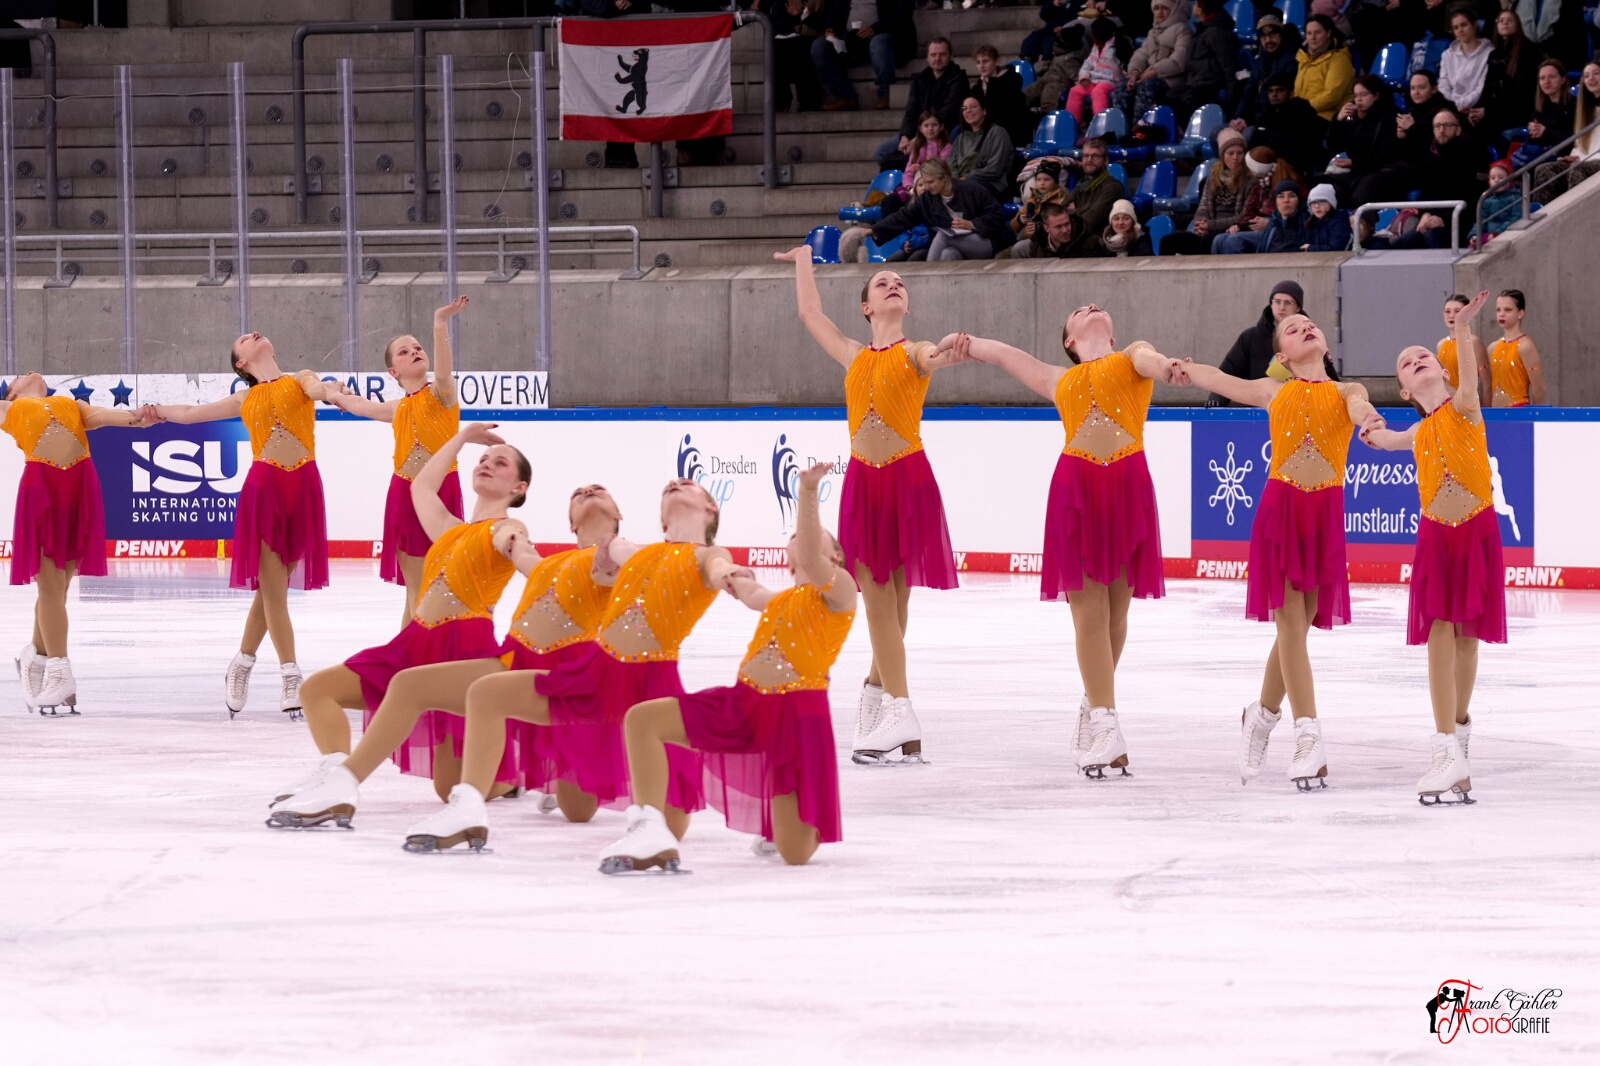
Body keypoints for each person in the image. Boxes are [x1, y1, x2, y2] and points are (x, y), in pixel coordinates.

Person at [394, 478, 732, 852]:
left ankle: (648, 824)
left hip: (649, 679)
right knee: (487, 694)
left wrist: (734, 578)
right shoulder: (626, 552)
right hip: (595, 672)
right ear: (662, 522)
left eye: (687, 484)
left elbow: (715, 566)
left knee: (665, 823)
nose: (676, 483)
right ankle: (468, 808)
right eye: (578, 493)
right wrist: (522, 543)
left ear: (710, 507)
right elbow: (600, 559)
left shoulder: (688, 555)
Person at [944, 312, 1178, 777]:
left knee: (1116, 614)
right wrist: (966, 342)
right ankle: (1107, 724)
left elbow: (1151, 361)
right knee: (1090, 612)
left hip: (1128, 487)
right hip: (1077, 490)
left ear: (1113, 335)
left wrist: (1167, 366)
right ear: (1069, 340)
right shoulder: (1059, 378)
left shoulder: (1131, 355)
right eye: (1077, 312)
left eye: (1095, 307)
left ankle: (1094, 704)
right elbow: (1006, 356)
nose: (1089, 306)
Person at [596, 463, 858, 872]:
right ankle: (648, 825)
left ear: (836, 556)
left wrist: (808, 492)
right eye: (794, 538)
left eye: (809, 537)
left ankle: (790, 823)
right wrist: (730, 574)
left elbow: (811, 553)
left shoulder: (841, 592)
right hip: (744, 702)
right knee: (642, 720)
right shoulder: (777, 600)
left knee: (795, 853)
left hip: (796, 714)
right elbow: (748, 590)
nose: (799, 540)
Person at [265, 424, 532, 818]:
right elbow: (420, 487)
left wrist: (526, 556)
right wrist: (460, 439)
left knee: (448, 788)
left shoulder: (507, 528)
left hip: (461, 648)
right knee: (318, 690)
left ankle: (521, 776)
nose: (487, 464)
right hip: (414, 642)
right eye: (484, 459)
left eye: (501, 463)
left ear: (519, 488)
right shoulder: (450, 529)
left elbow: (517, 545)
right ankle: (334, 775)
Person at [772, 248, 969, 764]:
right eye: (882, 282)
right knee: (884, 602)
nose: (893, 284)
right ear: (866, 307)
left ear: (907, 305)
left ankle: (892, 707)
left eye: (900, 282)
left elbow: (933, 356)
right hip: (865, 482)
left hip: (908, 478)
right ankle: (881, 698)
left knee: (893, 603)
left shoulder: (913, 351)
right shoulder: (852, 354)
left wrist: (949, 350)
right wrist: (803, 259)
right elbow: (809, 313)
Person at [1174, 315, 1382, 791]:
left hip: (1324, 514)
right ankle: (1308, 736)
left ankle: (1261, 715)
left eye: (1310, 323)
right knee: (1291, 624)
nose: (1305, 327)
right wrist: (1182, 368)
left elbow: (1359, 405)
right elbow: (1221, 379)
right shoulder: (1274, 390)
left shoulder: (1346, 390)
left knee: (1299, 628)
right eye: (1292, 329)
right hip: (1281, 509)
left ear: (1325, 343)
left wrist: (1368, 418)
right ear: (1281, 356)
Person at [149, 332, 348, 720]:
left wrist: (331, 392)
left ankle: (241, 662)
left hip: (304, 486)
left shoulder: (300, 379)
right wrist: (156, 410)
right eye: (244, 339)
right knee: (275, 591)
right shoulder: (244, 398)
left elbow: (316, 388)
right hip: (265, 488)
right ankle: (291, 675)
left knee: (271, 592)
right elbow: (190, 413)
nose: (252, 334)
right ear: (241, 363)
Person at [1359, 292, 1504, 804]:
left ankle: (1458, 740)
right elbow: (1386, 440)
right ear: (1403, 389)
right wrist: (1372, 430)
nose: (1416, 359)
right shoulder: (1419, 430)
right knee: (1441, 630)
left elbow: (1469, 381)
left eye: (1423, 354)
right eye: (1406, 362)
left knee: (1468, 638)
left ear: (1442, 370)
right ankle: (1445, 747)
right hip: (1436, 535)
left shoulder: (1465, 407)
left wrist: (1462, 330)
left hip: (1476, 529)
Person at [3, 372, 151, 714]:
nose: (28, 372)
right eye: (19, 375)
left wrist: (141, 416)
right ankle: (59, 669)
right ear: (11, 395)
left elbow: (106, 416)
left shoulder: (71, 404)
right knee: (50, 586)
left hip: (79, 488)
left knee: (58, 589)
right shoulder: (9, 410)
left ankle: (35, 657)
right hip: (42, 491)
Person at [325, 298, 465, 626]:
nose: (414, 351)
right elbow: (359, 405)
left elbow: (444, 370)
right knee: (416, 589)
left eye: (417, 348)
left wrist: (440, 324)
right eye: (404, 352)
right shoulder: (396, 408)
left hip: (442, 493)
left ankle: (416, 652)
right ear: (393, 371)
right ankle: (411, 653)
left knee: (437, 587)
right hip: (404, 495)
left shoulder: (442, 394)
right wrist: (333, 394)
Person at [869, 157, 1010, 260]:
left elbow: (997, 216)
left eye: (931, 182)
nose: (927, 187)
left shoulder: (972, 189)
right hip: (957, 246)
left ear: (945, 177)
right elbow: (903, 217)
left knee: (944, 235)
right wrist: (872, 231)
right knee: (948, 254)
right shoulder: (928, 199)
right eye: (924, 183)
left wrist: (972, 224)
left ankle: (929, 279)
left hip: (987, 241)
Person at [1205, 279, 1306, 406]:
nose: (1282, 307)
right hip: (1258, 410)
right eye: (1277, 301)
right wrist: (1217, 399)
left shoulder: (1309, 337)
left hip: (1299, 409)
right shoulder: (1251, 338)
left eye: (1288, 303)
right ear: (1271, 304)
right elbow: (1229, 371)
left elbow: (1324, 376)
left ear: (1298, 307)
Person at [873, 37, 968, 170]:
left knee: (912, 155)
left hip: (943, 130)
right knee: (880, 153)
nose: (938, 58)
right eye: (933, 55)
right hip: (920, 130)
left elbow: (948, 113)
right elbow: (911, 111)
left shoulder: (959, 79)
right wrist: (905, 135)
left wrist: (920, 138)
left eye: (942, 54)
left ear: (950, 56)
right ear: (927, 58)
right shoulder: (920, 80)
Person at [813, 0, 917, 113]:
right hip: (849, 39)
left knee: (879, 42)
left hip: (883, 35)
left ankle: (886, 96)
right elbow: (833, 13)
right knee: (820, 46)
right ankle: (845, 97)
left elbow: (903, 12)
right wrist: (830, 28)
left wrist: (874, 29)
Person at [1324, 74, 1401, 210]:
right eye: (1355, 96)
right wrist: (1339, 120)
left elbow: (1386, 156)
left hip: (1376, 172)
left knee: (1359, 193)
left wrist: (1354, 162)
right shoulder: (1352, 118)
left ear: (1376, 95)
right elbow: (1333, 146)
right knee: (1323, 188)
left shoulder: (1390, 117)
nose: (1358, 100)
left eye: (1363, 95)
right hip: (1352, 170)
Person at [1532, 62, 1600, 200]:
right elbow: (1582, 142)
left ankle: (1576, 213)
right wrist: (1575, 155)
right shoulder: (1586, 109)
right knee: (1543, 170)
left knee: (1577, 169)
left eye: (1596, 73)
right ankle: (1545, 213)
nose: (1591, 78)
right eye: (1586, 75)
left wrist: (1582, 160)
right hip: (1586, 159)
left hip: (1595, 160)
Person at [1119, 0, 1192, 118]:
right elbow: (1142, 53)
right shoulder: (1153, 31)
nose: (1160, 12)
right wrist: (1134, 73)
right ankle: (1121, 125)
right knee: (1122, 87)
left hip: (1170, 79)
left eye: (1165, 8)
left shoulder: (1182, 30)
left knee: (1147, 87)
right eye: (1156, 8)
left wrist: (1153, 72)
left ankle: (1140, 126)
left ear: (1173, 10)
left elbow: (1179, 62)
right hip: (1148, 75)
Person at [1231, 13, 1303, 133]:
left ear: (1281, 36)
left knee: (1240, 138)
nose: (1268, 40)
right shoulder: (1259, 62)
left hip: (1276, 122)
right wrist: (1239, 117)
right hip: (1255, 119)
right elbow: (1248, 94)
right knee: (1216, 133)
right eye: (1264, 37)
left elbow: (1283, 100)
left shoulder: (1291, 61)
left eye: (1273, 35)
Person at [1249, 73, 1326, 179]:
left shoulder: (1302, 114)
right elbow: (1253, 145)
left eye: (1280, 90)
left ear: (1291, 94)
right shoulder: (1266, 117)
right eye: (1271, 91)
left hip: (1294, 171)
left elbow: (1297, 150)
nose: (1274, 94)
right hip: (1266, 168)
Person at [1481, 7, 1544, 135]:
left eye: (1510, 20)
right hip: (1498, 111)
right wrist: (1482, 108)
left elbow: (1526, 92)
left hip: (1520, 112)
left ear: (1518, 25)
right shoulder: (1494, 54)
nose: (1505, 23)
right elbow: (1488, 86)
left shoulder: (1530, 51)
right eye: (1501, 20)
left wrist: (1489, 110)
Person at [1172, 0, 1238, 120]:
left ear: (1201, 10)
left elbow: (1229, 67)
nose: (1193, 6)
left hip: (1211, 84)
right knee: (1169, 97)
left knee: (1186, 101)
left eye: (1196, 4)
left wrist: (1232, 100)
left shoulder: (1218, 32)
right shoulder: (1204, 28)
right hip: (1196, 82)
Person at [1062, 138, 1125, 256]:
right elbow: (1061, 212)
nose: (1089, 159)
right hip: (1076, 235)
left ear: (1105, 160)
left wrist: (1073, 211)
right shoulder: (1081, 184)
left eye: (1095, 156)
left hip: (1098, 240)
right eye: (1086, 156)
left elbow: (1090, 219)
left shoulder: (1112, 187)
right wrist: (1082, 211)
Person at [1064, 17, 1129, 125]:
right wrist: (1084, 77)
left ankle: (1101, 125)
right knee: (1075, 91)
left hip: (1111, 80)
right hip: (1093, 79)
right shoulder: (1095, 47)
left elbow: (1122, 68)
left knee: (1098, 92)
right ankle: (1072, 125)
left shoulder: (1118, 45)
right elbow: (1087, 64)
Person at [1438, 5, 1494, 126]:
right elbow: (1443, 85)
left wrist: (1460, 105)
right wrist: (1453, 106)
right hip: (1451, 108)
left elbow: (1480, 88)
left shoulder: (1490, 53)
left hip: (1475, 108)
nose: (1460, 30)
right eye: (1456, 27)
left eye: (1464, 25)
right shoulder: (1447, 55)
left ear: (1474, 25)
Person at [950, 96, 1015, 201]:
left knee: (966, 191)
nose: (968, 111)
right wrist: (955, 181)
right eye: (964, 108)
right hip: (961, 184)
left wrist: (966, 178)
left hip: (990, 185)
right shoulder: (960, 138)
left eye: (973, 107)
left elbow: (994, 170)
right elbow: (951, 166)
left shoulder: (998, 133)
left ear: (984, 111)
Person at [1214, 178, 1304, 253]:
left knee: (1234, 240)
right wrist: (1238, 225)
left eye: (1292, 196)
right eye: (1281, 196)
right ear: (1276, 202)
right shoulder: (1274, 223)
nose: (1286, 200)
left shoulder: (1305, 221)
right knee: (1219, 239)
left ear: (1298, 201)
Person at [1488, 289, 1545, 406]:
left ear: (1520, 313)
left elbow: (1538, 387)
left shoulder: (1525, 346)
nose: (1501, 314)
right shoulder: (1492, 347)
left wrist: (1537, 414)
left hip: (1519, 411)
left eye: (1507, 309)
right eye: (1498, 310)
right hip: (1495, 413)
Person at [1434, 293, 1492, 406]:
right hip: (1444, 407)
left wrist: (1487, 412)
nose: (1452, 315)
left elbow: (1487, 385)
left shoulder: (1473, 342)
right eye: (1447, 311)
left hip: (1466, 406)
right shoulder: (1441, 344)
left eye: (1457, 311)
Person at [1294, 15, 1355, 121]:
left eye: (1317, 32)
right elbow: (1297, 93)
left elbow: (1331, 97)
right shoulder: (1303, 59)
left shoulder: (1339, 59)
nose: (1313, 38)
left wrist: (1302, 110)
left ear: (1328, 33)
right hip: (1304, 115)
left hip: (1329, 117)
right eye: (1309, 33)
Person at [970, 45, 1031, 149]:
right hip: (987, 131)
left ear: (996, 61)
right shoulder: (977, 88)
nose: (981, 66)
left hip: (1010, 131)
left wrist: (990, 84)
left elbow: (1004, 111)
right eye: (978, 62)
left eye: (985, 61)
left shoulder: (1012, 80)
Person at [772, 0, 826, 113]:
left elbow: (825, 22)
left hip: (815, 38)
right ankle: (783, 102)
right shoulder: (783, 3)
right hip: (787, 41)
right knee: (778, 48)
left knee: (799, 47)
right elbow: (774, 27)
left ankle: (808, 101)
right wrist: (791, 15)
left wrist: (807, 14)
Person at [1524, 59, 1575, 152]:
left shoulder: (1574, 105)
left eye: (1552, 77)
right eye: (1542, 78)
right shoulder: (1541, 104)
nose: (1546, 82)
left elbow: (1573, 142)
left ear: (1563, 79)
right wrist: (1533, 131)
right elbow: (1532, 141)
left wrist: (1544, 132)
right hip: (1542, 154)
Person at [1012, 159, 1069, 240]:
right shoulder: (1033, 198)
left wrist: (1038, 228)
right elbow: (1013, 226)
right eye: (1039, 180)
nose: (1042, 183)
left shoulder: (1061, 199)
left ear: (1055, 182)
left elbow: (1061, 226)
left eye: (1046, 179)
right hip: (1029, 239)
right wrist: (1020, 220)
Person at [1009, 201, 1080, 258]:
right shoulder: (1037, 241)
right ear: (1046, 228)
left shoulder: (1082, 238)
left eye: (1067, 224)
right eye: (1058, 227)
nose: (1065, 230)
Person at [1300, 183, 1352, 251]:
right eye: (1313, 203)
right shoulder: (1312, 223)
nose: (1317, 206)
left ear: (1331, 203)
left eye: (1321, 202)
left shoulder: (1338, 223)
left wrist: (1311, 248)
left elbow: (1335, 249)